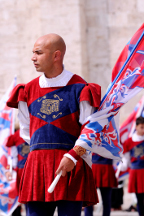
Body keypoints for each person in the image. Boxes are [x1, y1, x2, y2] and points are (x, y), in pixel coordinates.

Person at [7, 33, 101, 216]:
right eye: (33, 52)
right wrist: (42, 152)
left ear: (56, 55)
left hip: (71, 164)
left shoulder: (80, 87)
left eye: (38, 52)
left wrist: (73, 156)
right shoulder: (28, 90)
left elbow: (92, 129)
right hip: (37, 166)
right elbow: (26, 131)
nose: (32, 57)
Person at [118, 116, 144, 216]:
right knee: (139, 198)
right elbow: (126, 159)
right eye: (142, 127)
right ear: (136, 127)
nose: (143, 130)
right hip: (136, 172)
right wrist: (121, 167)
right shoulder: (129, 141)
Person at [5, 128, 30, 216]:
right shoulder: (16, 135)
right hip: (21, 171)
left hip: (31, 170)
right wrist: (9, 169)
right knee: (17, 199)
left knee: (31, 200)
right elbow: (12, 155)